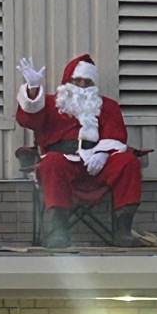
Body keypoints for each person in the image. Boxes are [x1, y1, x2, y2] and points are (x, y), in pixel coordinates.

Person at [16, 53, 143, 248]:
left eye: (87, 81)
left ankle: (123, 231)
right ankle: (59, 231)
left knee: (128, 162)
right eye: (77, 80)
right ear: (67, 81)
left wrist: (102, 153)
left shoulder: (108, 106)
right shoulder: (51, 104)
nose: (82, 85)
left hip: (98, 160)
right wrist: (33, 89)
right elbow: (28, 120)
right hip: (64, 160)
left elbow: (116, 135)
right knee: (52, 162)